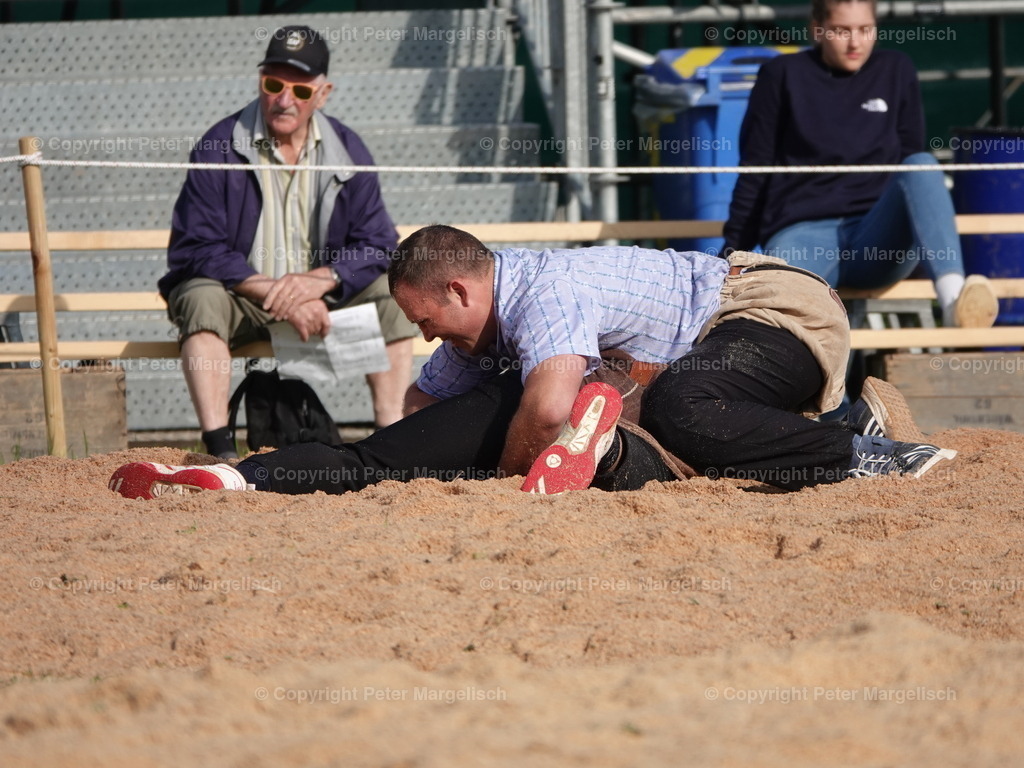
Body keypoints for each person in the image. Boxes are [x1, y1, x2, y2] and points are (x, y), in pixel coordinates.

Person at [110, 226, 957, 501]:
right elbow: (412, 413)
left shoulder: (541, 291)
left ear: (458, 289)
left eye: (429, 323)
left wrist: (507, 464)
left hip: (761, 311)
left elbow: (546, 410)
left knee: (677, 405)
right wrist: (379, 462)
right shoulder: (478, 323)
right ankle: (234, 478)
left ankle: (858, 444)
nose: (431, 339)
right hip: (669, 365)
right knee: (622, 430)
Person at [157, 24, 417, 459]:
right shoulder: (218, 146)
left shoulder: (349, 148)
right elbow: (196, 248)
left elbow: (378, 242)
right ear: (260, 82)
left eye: (299, 89)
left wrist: (322, 281)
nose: (283, 98)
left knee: (395, 292)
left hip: (324, 300)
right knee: (199, 297)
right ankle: (219, 452)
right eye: (273, 83)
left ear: (323, 92)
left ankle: (391, 443)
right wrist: (280, 294)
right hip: (242, 297)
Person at [723, 0, 998, 329]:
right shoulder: (781, 74)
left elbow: (912, 175)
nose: (855, 42)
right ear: (817, 30)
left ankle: (955, 303)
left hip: (878, 236)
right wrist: (728, 257)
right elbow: (755, 172)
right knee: (777, 316)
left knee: (921, 163)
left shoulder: (896, 69)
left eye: (865, 30)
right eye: (841, 31)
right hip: (803, 233)